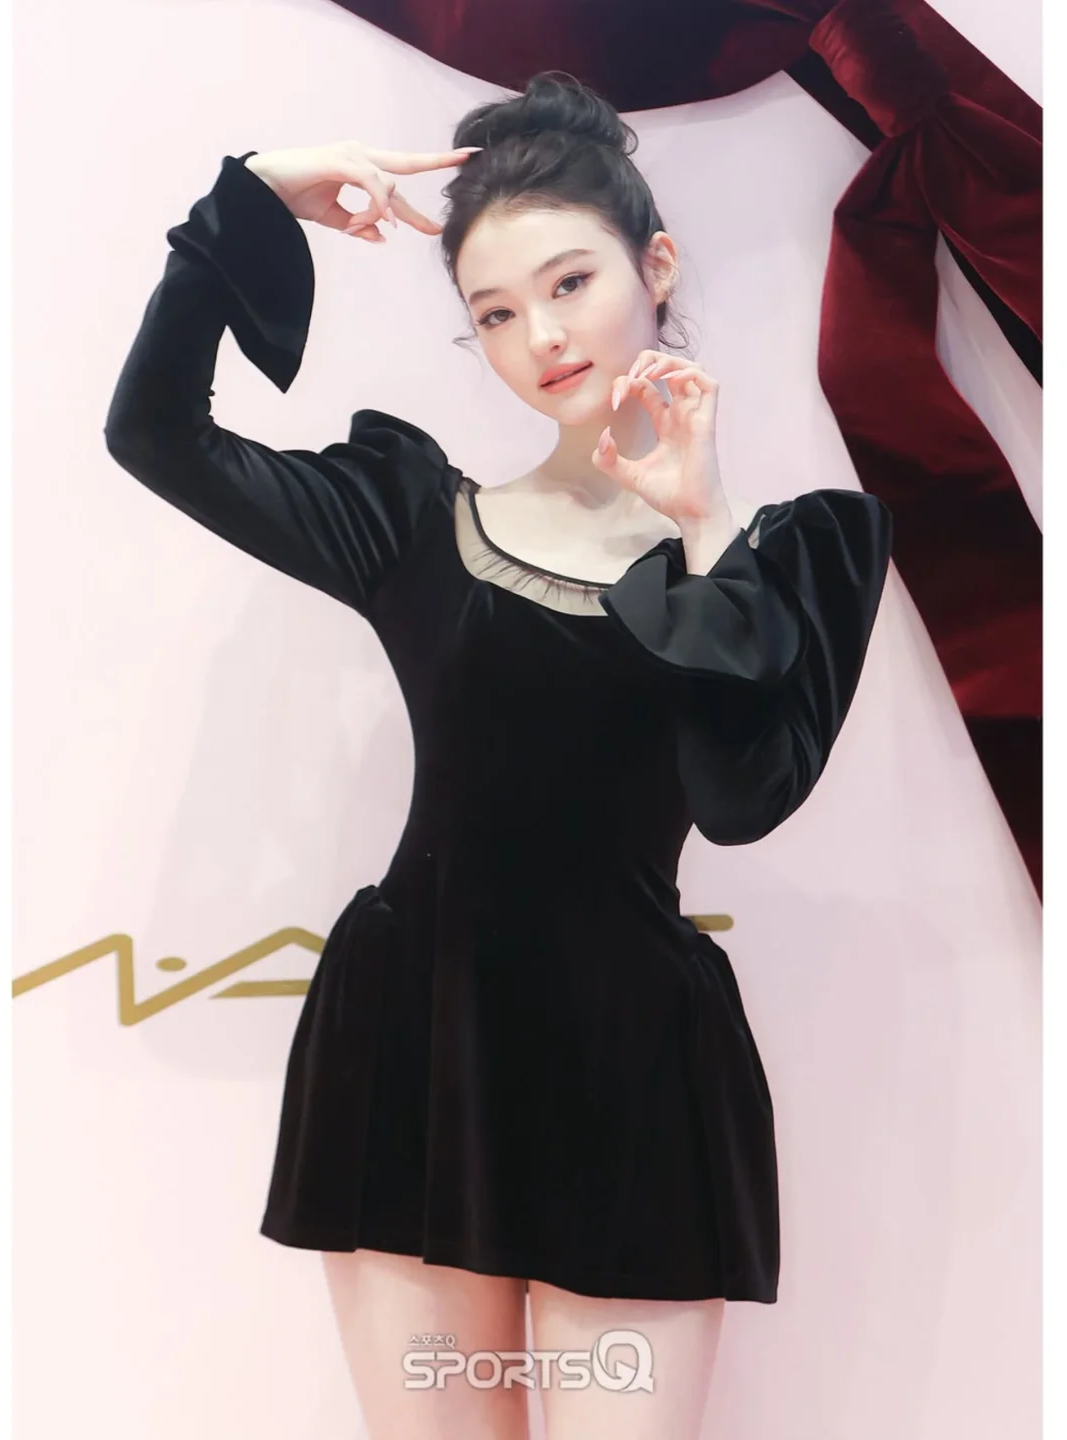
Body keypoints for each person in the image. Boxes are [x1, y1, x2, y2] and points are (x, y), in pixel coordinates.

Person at [104, 70, 892, 1440]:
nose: (544, 335)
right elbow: (155, 433)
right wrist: (254, 202)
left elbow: (743, 798)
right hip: (414, 1048)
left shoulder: (785, 563)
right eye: (497, 313)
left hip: (634, 1074)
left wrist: (703, 520)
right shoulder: (412, 520)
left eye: (570, 282)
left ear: (655, 267)